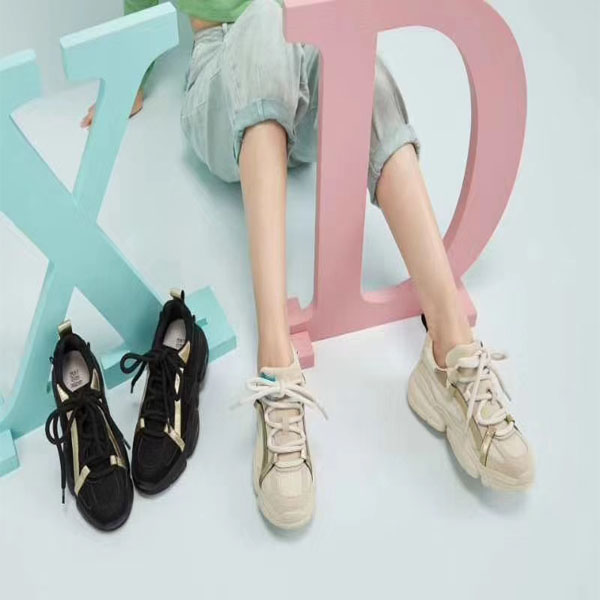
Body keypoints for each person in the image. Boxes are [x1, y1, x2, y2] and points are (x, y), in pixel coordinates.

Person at [83, 0, 535, 530]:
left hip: (302, 75)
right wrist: (129, 81)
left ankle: (449, 351)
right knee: (262, 18)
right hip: (224, 85)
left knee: (360, 61)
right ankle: (276, 368)